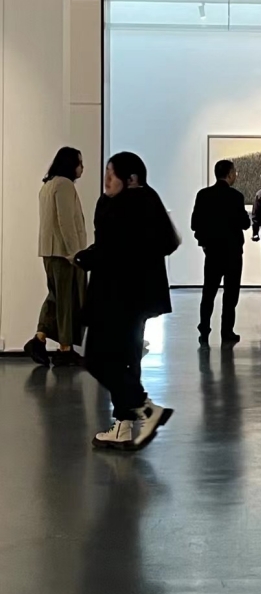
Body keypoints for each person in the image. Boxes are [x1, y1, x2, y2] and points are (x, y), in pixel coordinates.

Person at [76, 152, 179, 450]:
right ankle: (123, 426)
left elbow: (117, 249)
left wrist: (88, 257)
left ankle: (145, 410)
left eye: (113, 173)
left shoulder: (131, 203)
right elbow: (163, 242)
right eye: (106, 171)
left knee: (99, 359)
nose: (106, 179)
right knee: (125, 361)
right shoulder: (135, 200)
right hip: (131, 297)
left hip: (118, 297)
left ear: (131, 178)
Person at [25, 147, 88, 368]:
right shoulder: (64, 185)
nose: (82, 168)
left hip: (51, 252)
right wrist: (75, 253)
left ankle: (39, 339)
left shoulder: (48, 185)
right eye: (79, 163)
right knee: (66, 300)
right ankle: (64, 349)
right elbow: (66, 222)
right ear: (70, 164)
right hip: (63, 254)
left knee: (55, 298)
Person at [191, 159, 251, 348]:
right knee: (231, 294)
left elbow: (195, 223)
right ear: (230, 174)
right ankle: (227, 331)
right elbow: (245, 223)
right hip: (233, 251)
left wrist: (204, 241)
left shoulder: (203, 195)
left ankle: (204, 328)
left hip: (212, 251)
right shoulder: (236, 197)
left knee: (208, 291)